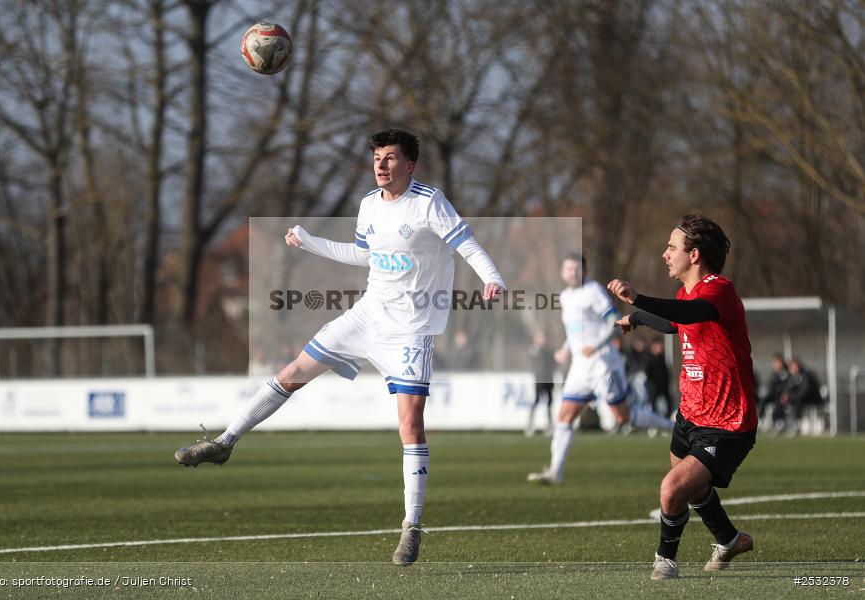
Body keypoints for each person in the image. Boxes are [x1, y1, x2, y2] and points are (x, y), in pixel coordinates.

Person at [174, 129, 506, 566]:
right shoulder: (369, 205)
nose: (381, 165)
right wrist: (309, 241)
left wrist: (492, 276)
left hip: (411, 329)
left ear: (409, 165)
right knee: (292, 372)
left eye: (390, 158)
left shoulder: (429, 202)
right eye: (376, 157)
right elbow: (363, 255)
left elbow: (466, 243)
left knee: (410, 423)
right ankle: (225, 441)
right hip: (367, 315)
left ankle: (412, 525)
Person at [607, 213, 758, 580]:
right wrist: (638, 318)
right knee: (692, 487)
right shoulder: (685, 292)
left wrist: (638, 298)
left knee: (672, 489)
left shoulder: (718, 289)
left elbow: (694, 312)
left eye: (671, 247)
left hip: (727, 422)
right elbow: (677, 322)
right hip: (690, 415)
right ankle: (729, 539)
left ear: (694, 255)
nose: (665, 254)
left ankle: (666, 560)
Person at [526, 254, 670, 485]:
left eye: (577, 269)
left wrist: (596, 345)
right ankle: (556, 472)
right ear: (562, 272)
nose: (573, 273)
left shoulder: (593, 292)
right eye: (569, 269)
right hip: (580, 369)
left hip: (604, 365)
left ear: (586, 271)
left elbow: (614, 321)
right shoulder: (564, 297)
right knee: (564, 416)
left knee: (622, 418)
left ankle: (671, 427)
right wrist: (565, 349)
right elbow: (575, 332)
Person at [782, 357, 823, 435]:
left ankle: (796, 425)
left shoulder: (806, 375)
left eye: (794, 366)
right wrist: (786, 395)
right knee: (782, 401)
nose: (792, 369)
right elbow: (788, 388)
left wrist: (792, 397)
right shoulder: (792, 377)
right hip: (801, 398)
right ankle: (780, 423)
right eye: (791, 367)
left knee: (797, 401)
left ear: (798, 365)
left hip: (812, 399)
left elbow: (805, 391)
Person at [525, 331, 555, 437]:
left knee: (549, 403)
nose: (543, 341)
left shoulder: (548, 351)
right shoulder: (534, 350)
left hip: (549, 379)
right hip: (539, 380)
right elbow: (533, 363)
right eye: (540, 338)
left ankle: (549, 426)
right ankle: (530, 425)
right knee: (536, 401)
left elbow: (553, 364)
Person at [759, 353, 789, 431]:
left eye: (777, 362)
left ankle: (779, 422)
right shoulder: (773, 373)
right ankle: (760, 419)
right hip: (773, 394)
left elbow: (787, 385)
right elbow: (770, 385)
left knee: (779, 403)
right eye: (774, 363)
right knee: (763, 400)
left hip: (782, 396)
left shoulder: (786, 373)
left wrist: (786, 393)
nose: (776, 365)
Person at [647, 338, 674, 418]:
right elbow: (648, 372)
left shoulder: (663, 358)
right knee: (653, 402)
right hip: (654, 385)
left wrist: (668, 382)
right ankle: (654, 418)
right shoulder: (649, 359)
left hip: (664, 385)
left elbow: (666, 372)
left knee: (668, 402)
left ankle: (667, 418)